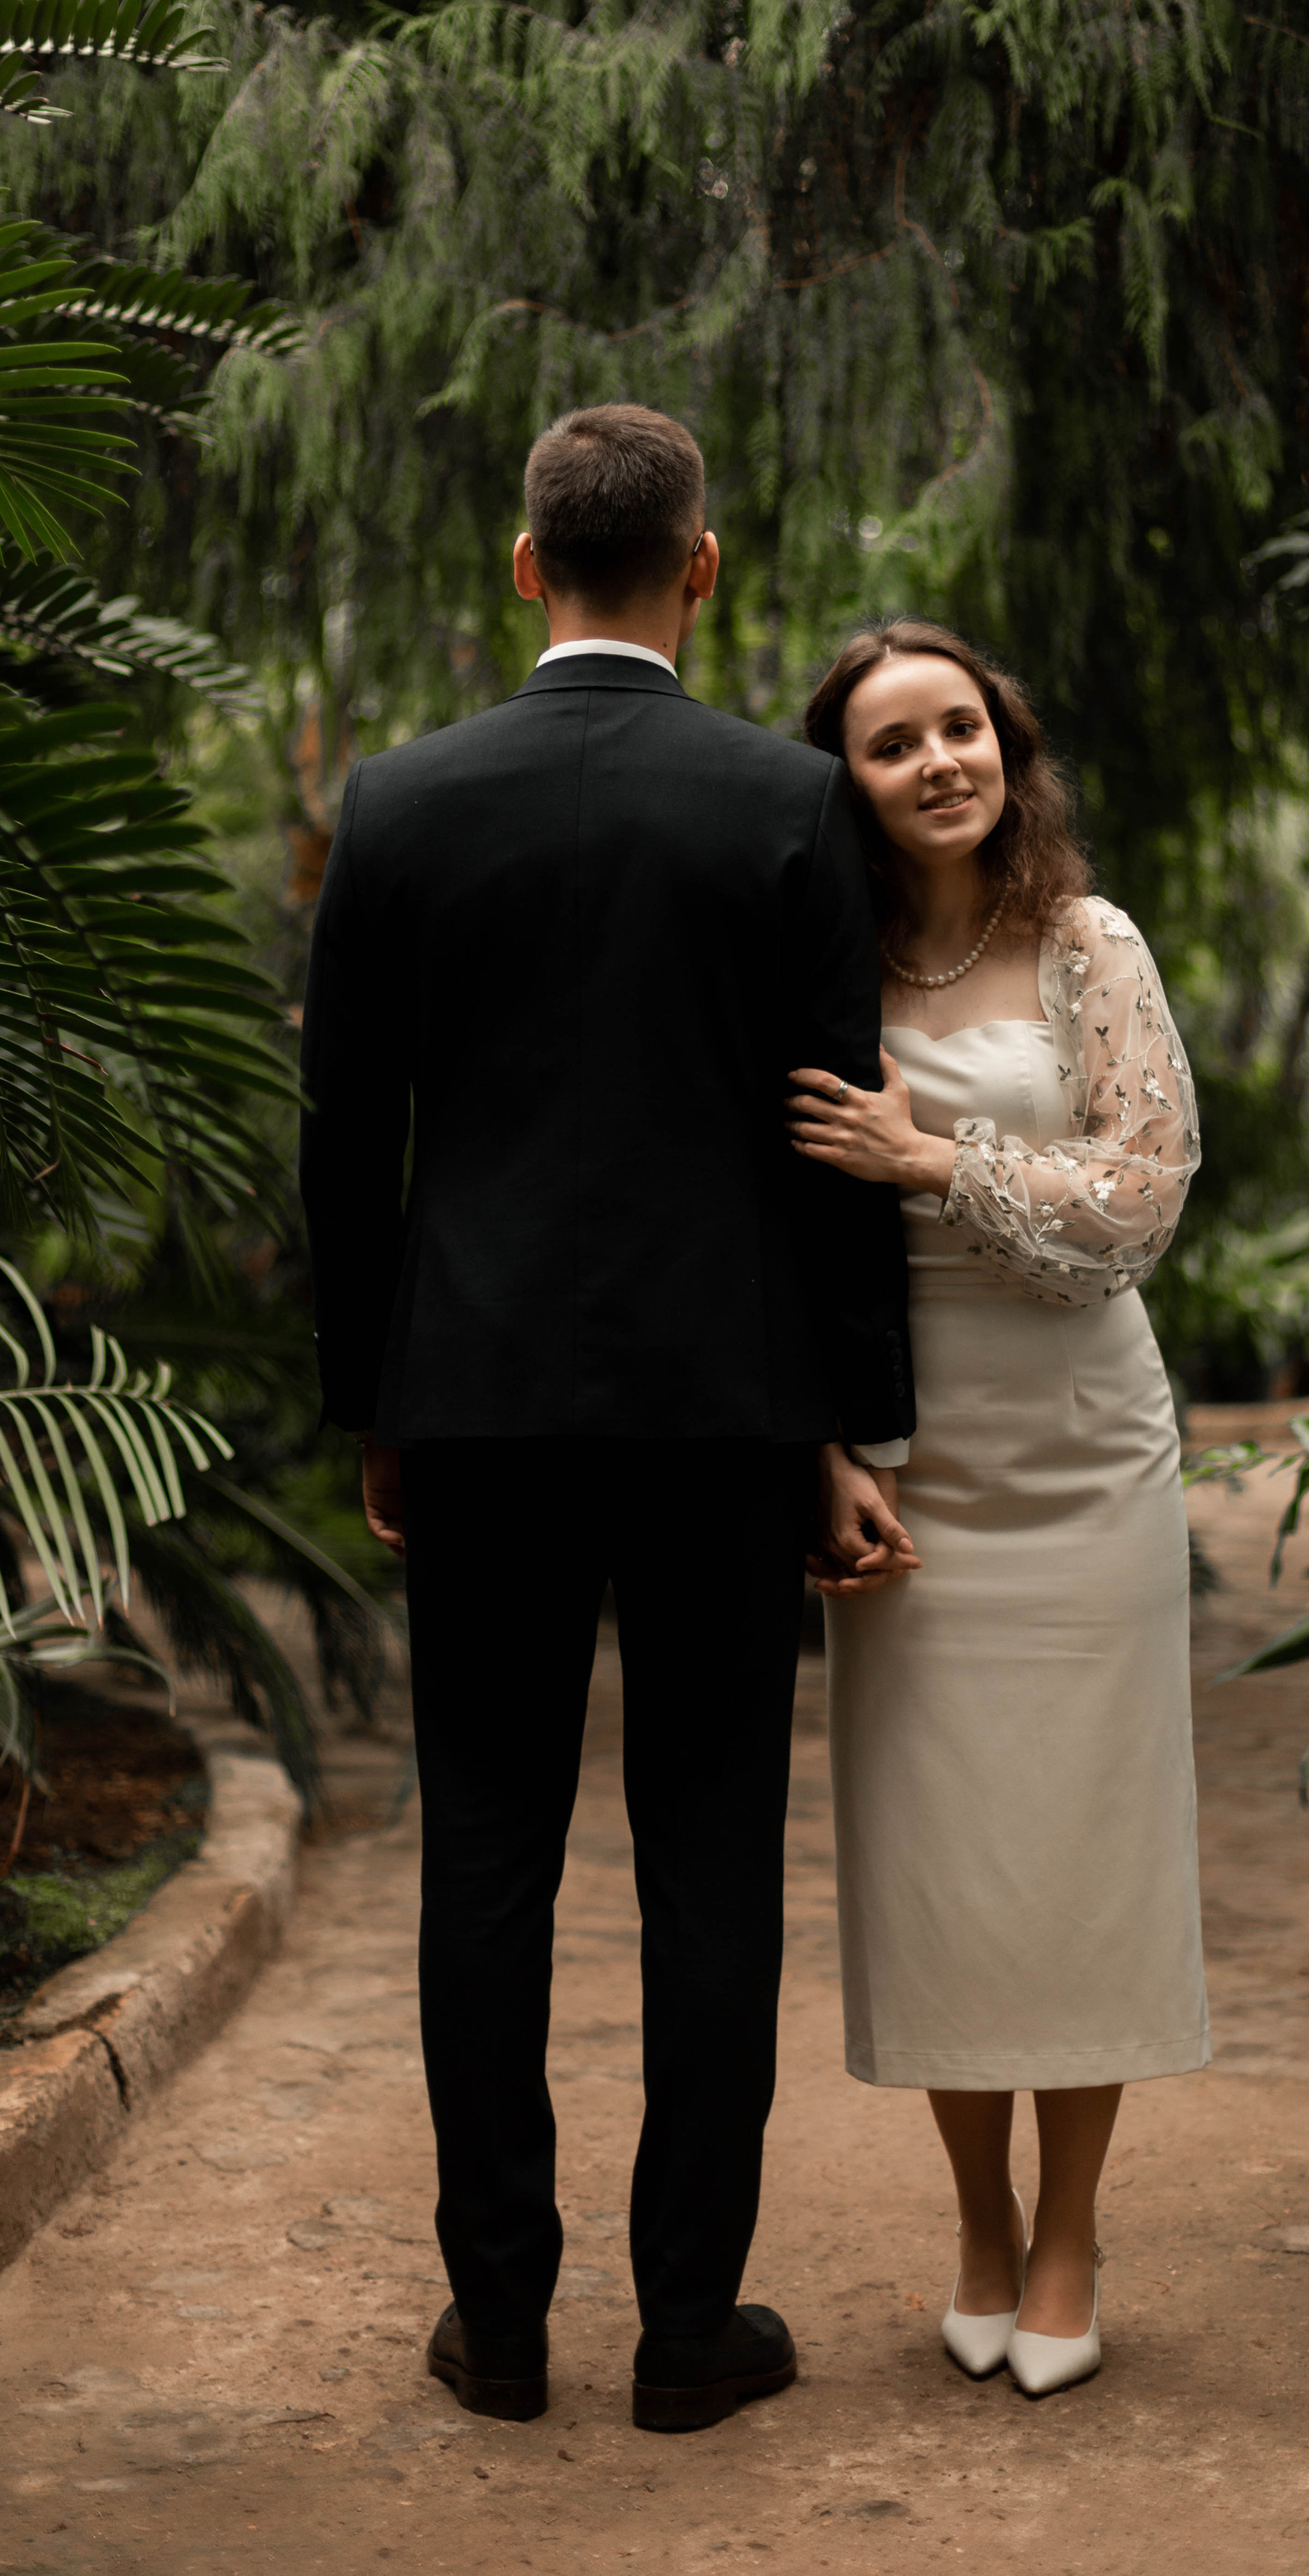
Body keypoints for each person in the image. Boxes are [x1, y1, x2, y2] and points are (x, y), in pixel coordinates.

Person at [297, 407, 916, 2434]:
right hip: (727, 1416)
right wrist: (853, 1431)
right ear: (704, 566)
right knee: (711, 1861)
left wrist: (370, 1402)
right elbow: (841, 1135)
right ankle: (684, 2332)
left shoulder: (401, 802)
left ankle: (498, 2327)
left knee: (482, 1856)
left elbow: (343, 1145)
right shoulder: (791, 804)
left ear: (521, 564)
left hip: (472, 1404)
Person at [787, 619, 1209, 2399]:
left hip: (1087, 1449)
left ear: (1004, 747)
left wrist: (932, 1160)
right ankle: (973, 2218)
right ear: (848, 782)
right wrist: (822, 1446)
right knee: (945, 1858)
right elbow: (777, 1234)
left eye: (960, 728)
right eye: (894, 745)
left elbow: (1143, 1192)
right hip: (910, 1462)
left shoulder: (1082, 943)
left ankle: (1069, 2235)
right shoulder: (820, 962)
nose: (938, 762)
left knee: (1084, 1858)